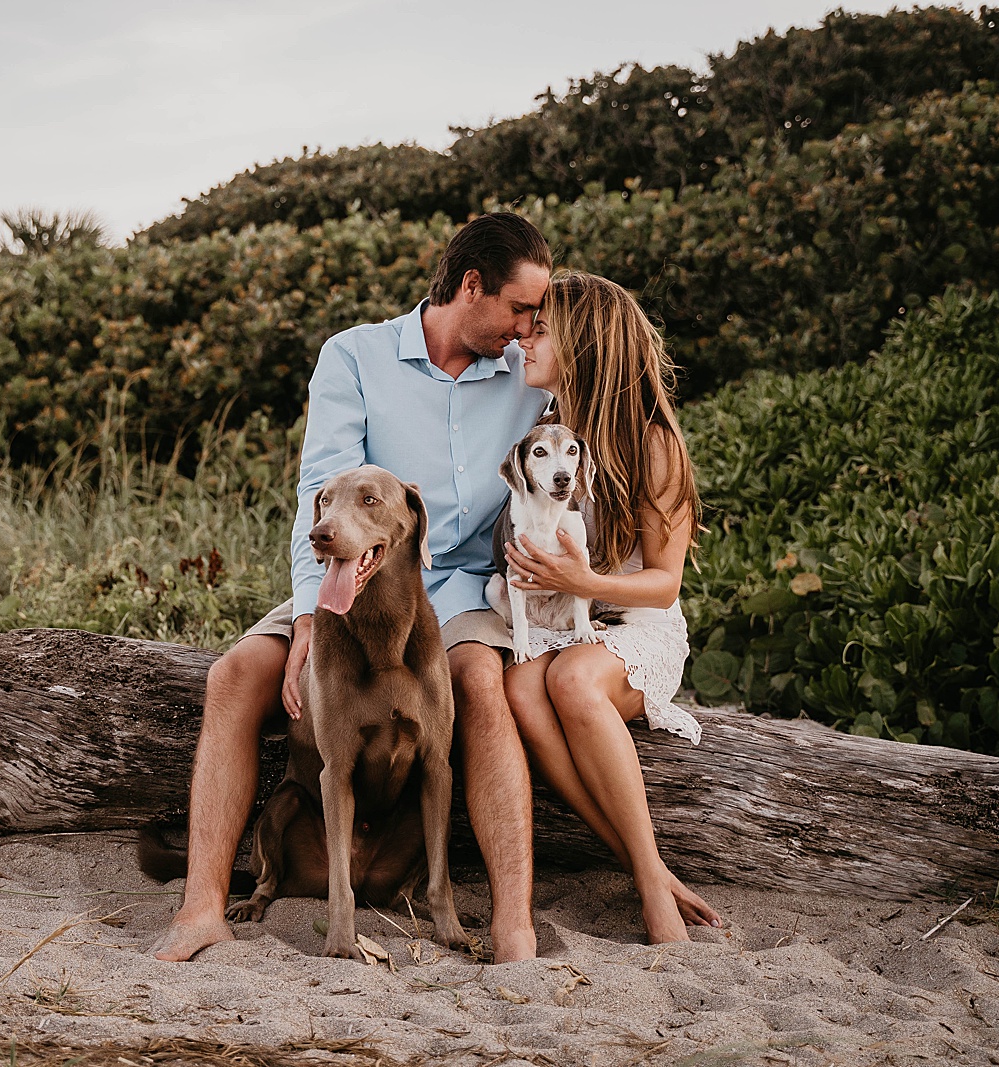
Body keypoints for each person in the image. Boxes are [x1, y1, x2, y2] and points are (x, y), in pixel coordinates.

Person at [151, 212, 555, 963]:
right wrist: (309, 617)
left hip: (463, 588)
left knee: (480, 682)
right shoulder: (356, 356)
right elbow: (324, 492)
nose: (531, 326)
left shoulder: (529, 377)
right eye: (521, 308)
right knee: (236, 672)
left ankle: (513, 927)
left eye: (538, 314)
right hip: (350, 575)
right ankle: (201, 907)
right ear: (472, 285)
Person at [499, 270, 723, 943]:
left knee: (569, 679)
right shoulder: (548, 433)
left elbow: (663, 584)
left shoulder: (653, 442)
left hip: (640, 625)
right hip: (576, 616)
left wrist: (582, 578)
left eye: (541, 328)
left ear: (585, 343)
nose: (524, 339)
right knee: (521, 686)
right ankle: (645, 864)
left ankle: (650, 883)